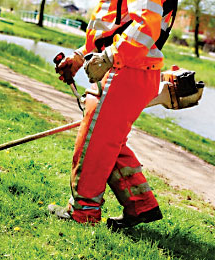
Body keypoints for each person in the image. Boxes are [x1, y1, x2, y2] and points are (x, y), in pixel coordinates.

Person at [49, 0, 178, 229]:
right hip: (127, 67)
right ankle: (141, 204)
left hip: (126, 69)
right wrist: (81, 56)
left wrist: (110, 56)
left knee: (94, 145)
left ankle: (84, 211)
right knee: (107, 140)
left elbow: (145, 26)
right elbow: (112, 25)